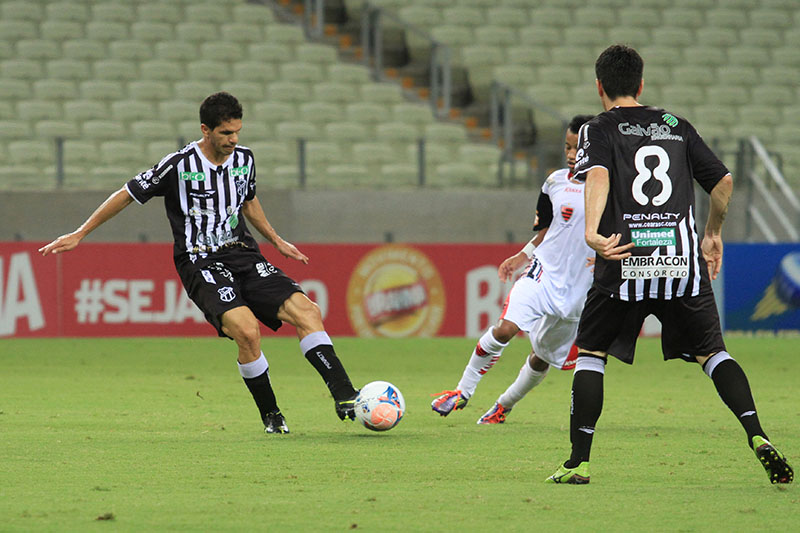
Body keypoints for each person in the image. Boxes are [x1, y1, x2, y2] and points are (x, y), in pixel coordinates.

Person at [39, 92, 360, 435]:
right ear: (206, 130)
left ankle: (345, 394)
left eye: (237, 131)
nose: (233, 139)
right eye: (225, 133)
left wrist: (276, 240)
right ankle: (272, 415)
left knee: (307, 311)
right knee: (247, 331)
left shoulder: (245, 159)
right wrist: (80, 233)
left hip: (243, 253)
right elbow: (126, 194)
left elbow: (248, 201)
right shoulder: (178, 165)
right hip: (198, 259)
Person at [546, 45, 793, 485]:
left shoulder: (598, 128)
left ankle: (578, 462)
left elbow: (598, 174)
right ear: (640, 85)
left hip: (624, 259)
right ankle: (756, 434)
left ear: (599, 86)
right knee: (713, 353)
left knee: (591, 356)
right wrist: (713, 232)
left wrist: (592, 232)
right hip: (680, 261)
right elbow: (722, 181)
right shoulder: (675, 125)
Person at [431, 115, 595, 424]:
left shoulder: (610, 188)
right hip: (543, 273)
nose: (571, 155)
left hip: (579, 289)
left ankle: (503, 406)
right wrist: (522, 255)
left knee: (542, 357)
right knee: (506, 328)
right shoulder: (554, 182)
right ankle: (462, 391)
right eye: (567, 147)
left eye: (578, 148)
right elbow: (548, 229)